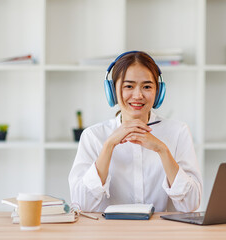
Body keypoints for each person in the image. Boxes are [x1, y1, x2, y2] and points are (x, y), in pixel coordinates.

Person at [68, 51, 202, 212]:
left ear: (158, 92)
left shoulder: (178, 132)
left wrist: (162, 150)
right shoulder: (93, 136)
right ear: (112, 91)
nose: (138, 95)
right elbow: (82, 205)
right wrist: (109, 145)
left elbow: (191, 205)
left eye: (147, 87)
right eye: (128, 86)